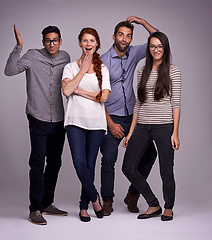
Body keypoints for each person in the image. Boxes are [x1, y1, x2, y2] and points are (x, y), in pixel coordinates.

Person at [4, 25, 70, 225]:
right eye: (48, 40)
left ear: (60, 41)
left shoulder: (65, 57)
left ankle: (47, 203)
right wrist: (18, 46)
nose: (52, 43)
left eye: (55, 40)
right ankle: (35, 209)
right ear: (43, 42)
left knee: (55, 163)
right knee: (37, 164)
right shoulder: (32, 55)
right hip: (38, 117)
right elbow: (9, 71)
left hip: (58, 118)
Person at [100, 16, 158, 216]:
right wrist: (111, 124)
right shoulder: (103, 61)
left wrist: (142, 22)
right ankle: (107, 199)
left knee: (150, 154)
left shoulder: (133, 53)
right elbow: (98, 98)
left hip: (133, 116)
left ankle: (133, 195)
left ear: (131, 39)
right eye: (121, 35)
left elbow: (157, 37)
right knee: (109, 158)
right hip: (111, 118)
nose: (124, 39)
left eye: (128, 36)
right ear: (114, 36)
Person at [122, 32, 181, 221]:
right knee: (128, 167)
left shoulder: (173, 71)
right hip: (141, 126)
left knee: (166, 171)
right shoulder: (142, 70)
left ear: (165, 49)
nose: (156, 50)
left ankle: (168, 207)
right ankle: (153, 204)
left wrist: (175, 133)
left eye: (160, 46)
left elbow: (176, 103)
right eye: (152, 46)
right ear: (149, 48)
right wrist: (130, 132)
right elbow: (138, 103)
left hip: (164, 126)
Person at [62, 27, 111, 222]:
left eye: (92, 41)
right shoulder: (70, 67)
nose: (88, 44)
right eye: (85, 41)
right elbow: (66, 92)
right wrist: (82, 70)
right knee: (79, 163)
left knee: (90, 165)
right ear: (80, 43)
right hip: (74, 121)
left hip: (97, 124)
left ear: (97, 43)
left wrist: (78, 90)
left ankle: (83, 207)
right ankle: (95, 199)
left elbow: (104, 97)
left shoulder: (103, 69)